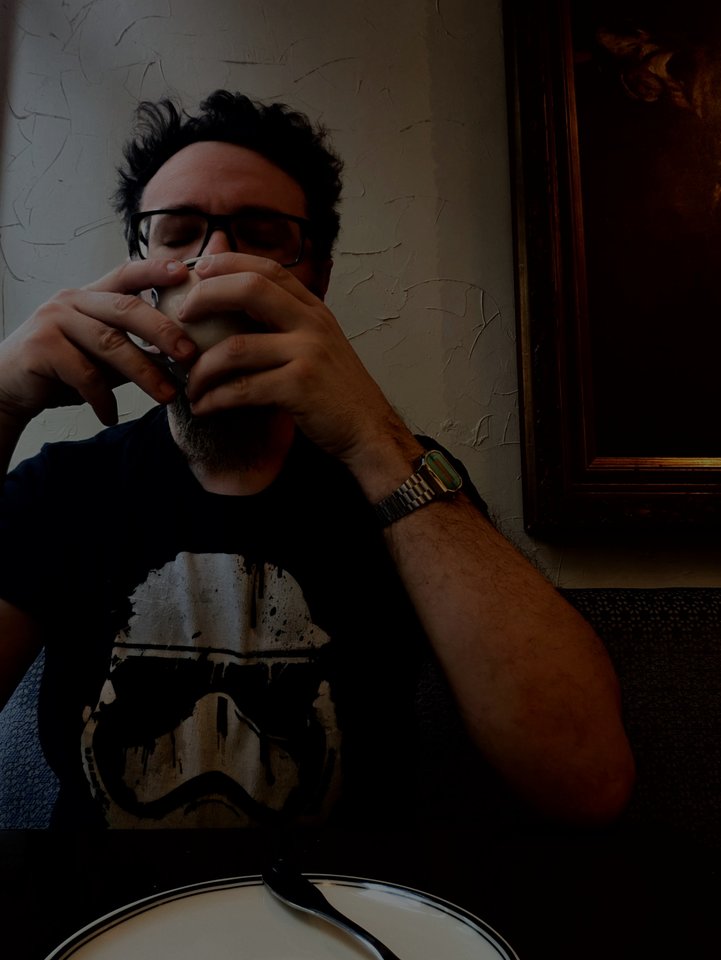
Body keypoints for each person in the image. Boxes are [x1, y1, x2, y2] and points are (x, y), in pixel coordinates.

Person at [0, 91, 634, 828]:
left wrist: (375, 438)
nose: (213, 262)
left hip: (341, 900)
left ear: (319, 280)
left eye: (261, 235)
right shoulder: (63, 489)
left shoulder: (403, 482)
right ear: (137, 269)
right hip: (104, 899)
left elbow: (585, 777)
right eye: (177, 233)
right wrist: (2, 406)